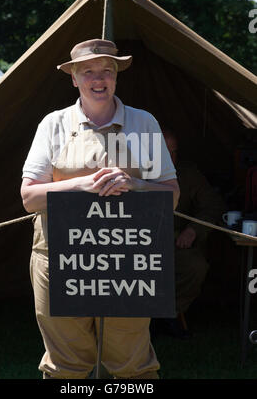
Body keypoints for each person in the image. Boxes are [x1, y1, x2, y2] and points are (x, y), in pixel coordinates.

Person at [20, 38, 180, 379]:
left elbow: (171, 197)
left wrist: (135, 184)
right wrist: (80, 184)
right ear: (74, 78)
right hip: (62, 259)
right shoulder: (55, 125)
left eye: (107, 70)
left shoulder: (142, 124)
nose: (99, 78)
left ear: (117, 76)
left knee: (131, 365)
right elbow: (30, 198)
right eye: (88, 71)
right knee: (66, 365)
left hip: (128, 260)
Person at [159, 129, 226, 338]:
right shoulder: (132, 171)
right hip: (137, 243)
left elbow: (213, 204)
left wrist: (193, 230)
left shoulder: (187, 173)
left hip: (174, 242)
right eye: (163, 151)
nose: (170, 158)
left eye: (174, 152)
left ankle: (169, 313)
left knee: (195, 266)